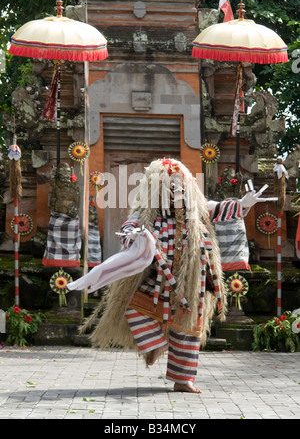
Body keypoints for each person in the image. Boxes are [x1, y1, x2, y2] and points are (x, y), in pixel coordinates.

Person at [68, 158, 265, 393]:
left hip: (193, 281)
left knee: (188, 328)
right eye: (168, 186)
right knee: (131, 306)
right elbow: (128, 228)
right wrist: (135, 235)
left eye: (178, 185)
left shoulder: (197, 208)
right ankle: (155, 345)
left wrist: (244, 203)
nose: (174, 191)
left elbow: (220, 209)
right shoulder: (148, 213)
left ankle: (183, 380)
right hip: (156, 278)